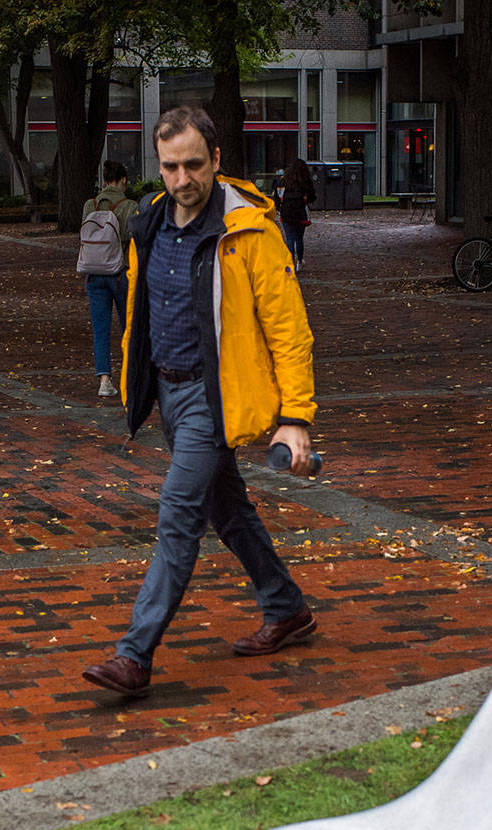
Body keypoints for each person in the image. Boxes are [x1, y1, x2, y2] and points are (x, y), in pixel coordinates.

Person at [80, 106, 320, 700]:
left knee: (178, 513)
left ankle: (134, 655)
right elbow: (143, 309)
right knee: (227, 508)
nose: (182, 178)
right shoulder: (152, 222)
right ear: (156, 167)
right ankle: (287, 608)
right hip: (168, 390)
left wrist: (295, 419)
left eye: (193, 164)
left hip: (215, 398)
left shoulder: (250, 232)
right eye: (169, 166)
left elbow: (290, 332)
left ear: (216, 159)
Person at [80, 161, 139, 398]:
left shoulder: (89, 205)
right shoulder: (130, 205)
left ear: (104, 181)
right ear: (123, 180)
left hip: (93, 273)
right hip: (121, 272)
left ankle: (104, 380)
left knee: (100, 329)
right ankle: (131, 377)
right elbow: (134, 235)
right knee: (129, 328)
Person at [276, 159, 316, 268]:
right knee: (299, 237)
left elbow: (277, 196)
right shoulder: (305, 181)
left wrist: (279, 207)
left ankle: (290, 262)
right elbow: (312, 197)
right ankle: (299, 259)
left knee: (289, 238)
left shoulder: (283, 180)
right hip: (300, 212)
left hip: (286, 212)